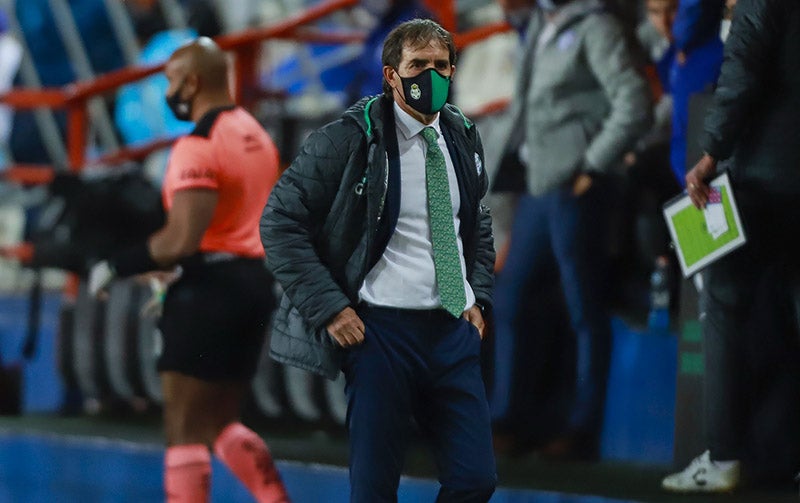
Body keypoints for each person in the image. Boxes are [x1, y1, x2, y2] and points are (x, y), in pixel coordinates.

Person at [261, 18, 497, 503]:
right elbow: (279, 221)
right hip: (381, 334)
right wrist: (329, 306)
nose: (429, 77)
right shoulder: (347, 139)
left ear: (453, 70)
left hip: (452, 330)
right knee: (373, 491)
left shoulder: (462, 135)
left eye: (440, 66)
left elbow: (477, 222)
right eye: (417, 66)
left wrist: (478, 297)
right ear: (391, 74)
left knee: (475, 480)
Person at [88, 37, 290, 503]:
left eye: (171, 80)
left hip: (207, 293)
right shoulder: (255, 133)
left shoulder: (197, 145)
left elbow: (181, 240)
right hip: (254, 284)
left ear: (193, 82)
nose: (168, 91)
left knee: (183, 428)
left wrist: (115, 266)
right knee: (223, 420)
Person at [488, 0, 652, 460]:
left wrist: (593, 166)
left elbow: (634, 101)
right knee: (513, 299)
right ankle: (510, 420)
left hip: (574, 187)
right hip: (538, 185)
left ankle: (582, 430)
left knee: (584, 309)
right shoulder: (543, 21)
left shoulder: (596, 27)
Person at [662, 0, 800, 493]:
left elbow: (741, 75)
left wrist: (710, 153)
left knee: (722, 302)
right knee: (785, 319)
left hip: (761, 179)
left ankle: (723, 457)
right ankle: (780, 457)